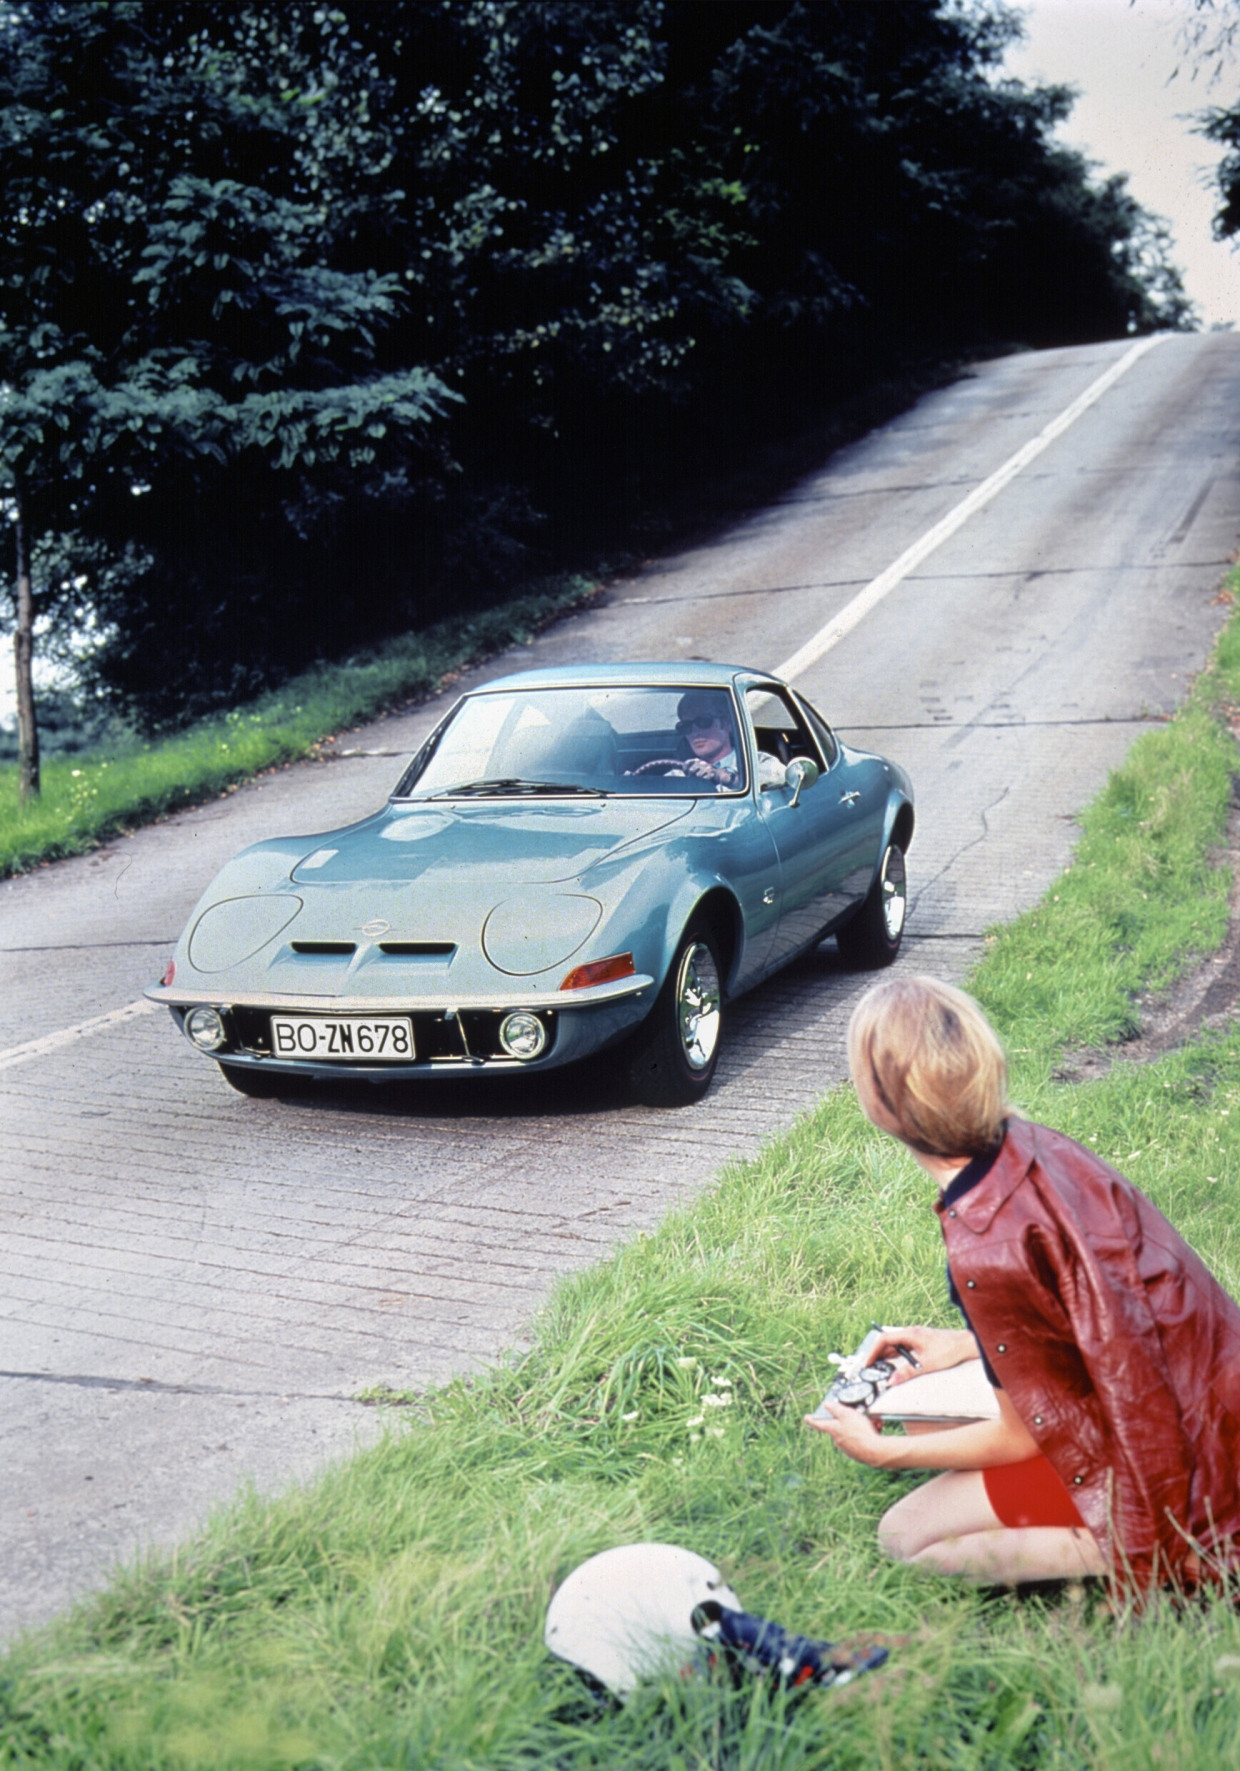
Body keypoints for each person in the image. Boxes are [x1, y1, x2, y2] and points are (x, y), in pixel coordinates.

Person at [805, 975, 1240, 1597]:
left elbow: (1019, 1433)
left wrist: (880, 1454)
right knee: (924, 1412)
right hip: (1207, 1413)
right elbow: (1089, 1308)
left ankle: (1159, 1553)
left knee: (906, 1540)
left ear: (880, 1107)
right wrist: (961, 1343)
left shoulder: (986, 1248)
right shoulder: (1032, 1144)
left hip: (1169, 1471)